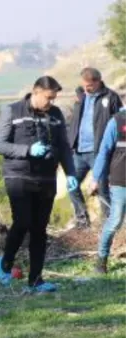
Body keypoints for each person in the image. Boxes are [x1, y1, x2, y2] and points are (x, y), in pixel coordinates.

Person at [0, 76, 78, 293]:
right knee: (22, 222)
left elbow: (64, 146)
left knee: (40, 229)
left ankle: (36, 280)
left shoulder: (56, 115)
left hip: (46, 178)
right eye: (48, 98)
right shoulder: (12, 111)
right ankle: (5, 263)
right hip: (18, 176)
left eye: (54, 98)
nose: (51, 102)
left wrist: (70, 173)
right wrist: (27, 151)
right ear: (36, 92)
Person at [67, 68, 123, 228]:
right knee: (72, 185)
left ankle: (110, 225)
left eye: (89, 86)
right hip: (78, 151)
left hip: (99, 152)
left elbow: (119, 123)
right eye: (84, 85)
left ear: (98, 82)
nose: (86, 89)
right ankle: (82, 221)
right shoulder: (81, 96)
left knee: (103, 190)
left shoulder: (111, 97)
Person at [90, 99, 126, 273]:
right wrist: (95, 178)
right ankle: (101, 260)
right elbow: (104, 151)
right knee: (116, 220)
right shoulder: (117, 121)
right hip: (120, 181)